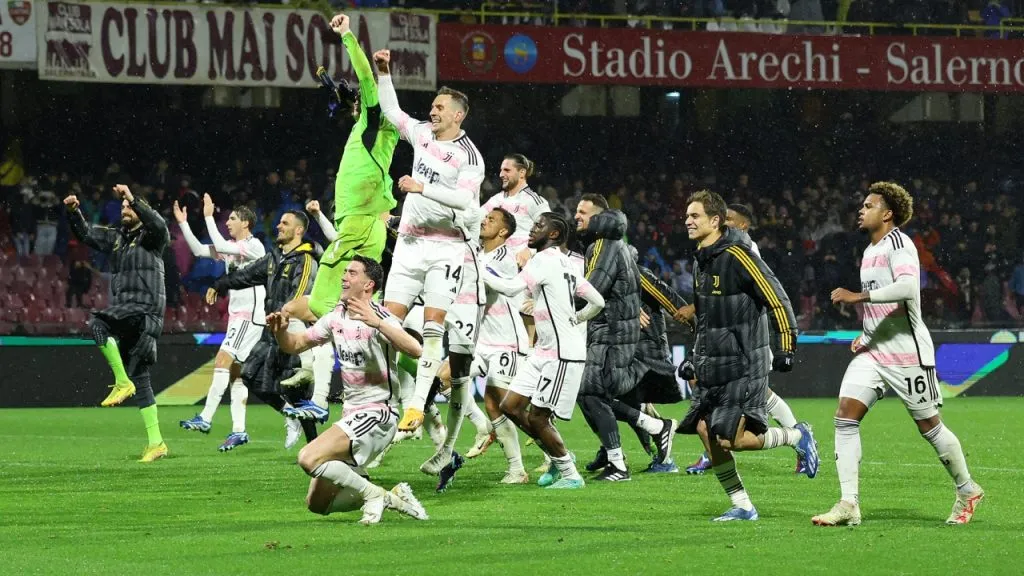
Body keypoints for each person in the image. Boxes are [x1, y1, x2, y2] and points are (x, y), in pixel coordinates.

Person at [814, 182, 984, 527]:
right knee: (845, 417)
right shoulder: (869, 251)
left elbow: (907, 288)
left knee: (929, 426)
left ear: (887, 213)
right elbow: (882, 305)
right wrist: (866, 336)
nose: (861, 210)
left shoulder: (900, 244)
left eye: (869, 205)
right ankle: (848, 503)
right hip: (875, 352)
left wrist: (857, 296)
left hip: (907, 353)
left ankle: (967, 489)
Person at [679, 190, 817, 522]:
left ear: (715, 221)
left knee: (733, 440)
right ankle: (742, 505)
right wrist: (695, 356)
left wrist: (786, 345)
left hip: (742, 363)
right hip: (713, 363)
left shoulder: (739, 256)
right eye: (687, 216)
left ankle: (797, 435)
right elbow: (706, 319)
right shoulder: (701, 262)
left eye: (695, 216)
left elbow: (777, 299)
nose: (688, 221)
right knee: (705, 431)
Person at [281, 13, 399, 395]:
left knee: (319, 305)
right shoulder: (373, 133)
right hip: (366, 225)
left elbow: (366, 78)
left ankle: (320, 382)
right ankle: (412, 372)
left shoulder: (374, 123)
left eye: (360, 102)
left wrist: (347, 35)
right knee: (364, 310)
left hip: (358, 225)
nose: (356, 103)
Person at [371, 48, 485, 434]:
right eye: (433, 106)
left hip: (445, 247)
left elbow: (465, 199)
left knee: (434, 325)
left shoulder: (469, 156)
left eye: (439, 107)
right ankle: (410, 391)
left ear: (458, 115)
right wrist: (384, 72)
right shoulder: (421, 133)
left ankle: (417, 404)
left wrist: (423, 188)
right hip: (409, 244)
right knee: (385, 324)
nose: (432, 111)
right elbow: (392, 111)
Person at [267, 256, 429, 525]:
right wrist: (280, 333)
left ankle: (373, 494)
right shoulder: (335, 318)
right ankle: (390, 497)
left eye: (352, 273)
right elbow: (295, 345)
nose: (344, 277)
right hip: (351, 415)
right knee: (318, 505)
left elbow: (415, 349)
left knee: (308, 458)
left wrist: (378, 323)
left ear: (368, 284)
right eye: (344, 272)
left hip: (379, 414)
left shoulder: (381, 317)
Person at [482, 212, 606, 490]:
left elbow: (510, 288)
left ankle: (570, 474)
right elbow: (597, 301)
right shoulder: (566, 263)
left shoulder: (544, 260)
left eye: (539, 226)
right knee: (510, 406)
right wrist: (578, 317)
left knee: (539, 417)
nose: (532, 229)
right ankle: (557, 455)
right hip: (544, 351)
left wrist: (479, 267)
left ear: (553, 234)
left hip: (561, 355)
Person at [64, 184, 169, 462]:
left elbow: (159, 225)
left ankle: (122, 382)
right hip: (130, 311)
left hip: (144, 308)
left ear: (140, 210)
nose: (124, 209)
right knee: (141, 377)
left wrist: (133, 197)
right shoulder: (117, 238)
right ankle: (157, 443)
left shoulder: (152, 237)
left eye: (129, 207)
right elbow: (87, 233)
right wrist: (74, 212)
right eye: (122, 206)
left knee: (97, 323)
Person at [211, 211, 320, 449]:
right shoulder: (274, 258)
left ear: (299, 230)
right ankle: (291, 415)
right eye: (279, 222)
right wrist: (220, 284)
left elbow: (299, 295)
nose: (279, 226)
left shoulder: (306, 260)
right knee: (249, 375)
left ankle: (314, 446)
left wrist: (283, 316)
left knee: (296, 391)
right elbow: (246, 275)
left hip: (291, 331)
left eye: (285, 223)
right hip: (270, 331)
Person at [174, 194, 266, 452]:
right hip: (240, 316)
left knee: (222, 359)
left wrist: (208, 216)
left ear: (245, 223)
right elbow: (199, 250)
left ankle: (205, 417)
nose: (227, 223)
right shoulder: (231, 248)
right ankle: (239, 430)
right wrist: (183, 223)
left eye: (232, 219)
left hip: (249, 315)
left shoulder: (254, 246)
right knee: (236, 373)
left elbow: (221, 245)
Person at [573, 194, 654, 482]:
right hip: (610, 331)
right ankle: (619, 450)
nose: (576, 216)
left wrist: (556, 304)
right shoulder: (615, 246)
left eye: (583, 213)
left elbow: (591, 290)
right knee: (594, 394)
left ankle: (620, 460)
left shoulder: (602, 246)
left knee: (591, 393)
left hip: (609, 332)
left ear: (598, 219)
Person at [456, 207, 530, 483]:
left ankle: (546, 457)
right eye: (485, 217)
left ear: (503, 231)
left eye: (492, 219)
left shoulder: (504, 258)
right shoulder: (477, 253)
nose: (485, 220)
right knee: (447, 378)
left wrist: (466, 268)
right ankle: (482, 427)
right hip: (479, 342)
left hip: (506, 342)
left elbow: (483, 283)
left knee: (504, 406)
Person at [481, 153, 550, 268]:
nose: (501, 174)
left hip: (519, 267)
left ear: (522, 172)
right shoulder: (496, 199)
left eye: (507, 170)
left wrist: (530, 251)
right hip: (492, 262)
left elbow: (550, 230)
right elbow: (476, 218)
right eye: (501, 170)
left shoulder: (533, 200)